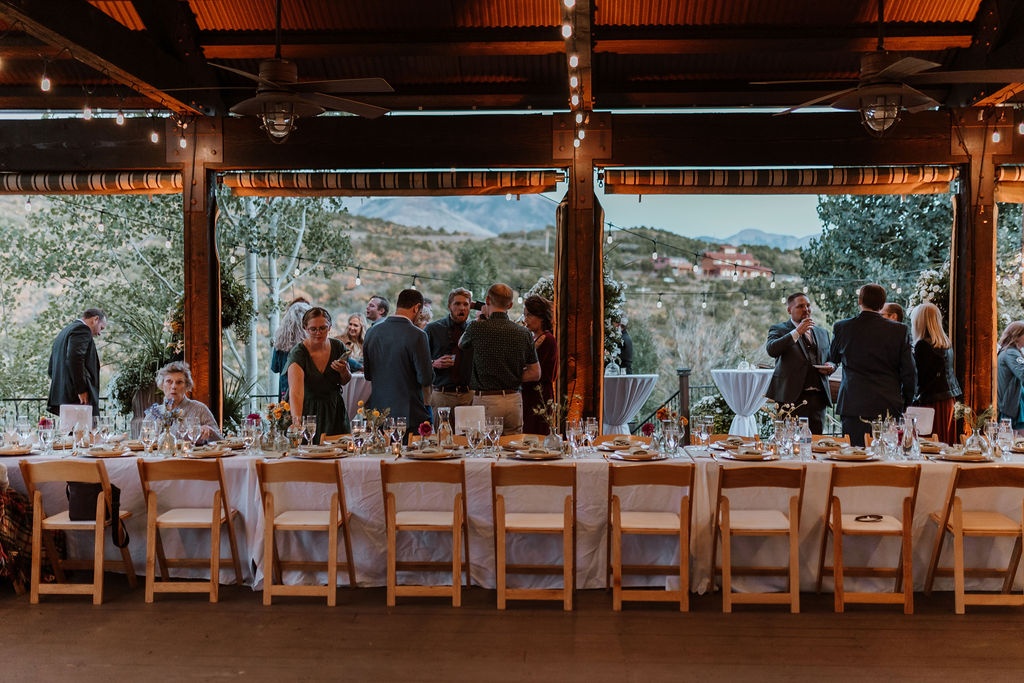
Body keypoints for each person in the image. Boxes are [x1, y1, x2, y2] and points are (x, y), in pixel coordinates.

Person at [829, 283, 916, 446]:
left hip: (853, 404)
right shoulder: (899, 331)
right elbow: (909, 372)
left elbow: (832, 357)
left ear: (859, 301)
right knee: (887, 455)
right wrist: (905, 401)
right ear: (882, 304)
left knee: (854, 455)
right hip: (888, 404)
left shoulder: (842, 327)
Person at [459, 283, 540, 435]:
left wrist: (482, 317)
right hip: (513, 400)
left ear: (487, 300)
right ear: (510, 305)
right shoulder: (524, 333)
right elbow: (535, 373)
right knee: (513, 449)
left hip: (487, 400)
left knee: (485, 449)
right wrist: (511, 376)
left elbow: (461, 344)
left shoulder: (477, 328)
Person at [362, 288, 433, 429]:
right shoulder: (418, 335)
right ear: (417, 307)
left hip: (379, 412)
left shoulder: (371, 332)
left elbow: (368, 375)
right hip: (409, 413)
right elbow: (425, 379)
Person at [765, 293, 835, 434]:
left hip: (818, 400)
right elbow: (772, 350)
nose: (806, 309)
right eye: (800, 306)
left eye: (808, 305)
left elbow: (831, 358)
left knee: (815, 443)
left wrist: (831, 365)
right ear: (789, 310)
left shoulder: (822, 332)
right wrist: (796, 332)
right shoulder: (778, 329)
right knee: (788, 442)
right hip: (790, 399)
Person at [286, 307, 352, 443]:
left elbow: (345, 380)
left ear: (330, 327)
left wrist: (343, 371)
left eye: (323, 328)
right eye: (313, 329)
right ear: (305, 328)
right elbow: (296, 391)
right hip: (306, 410)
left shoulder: (338, 346)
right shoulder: (298, 352)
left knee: (338, 451)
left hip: (334, 410)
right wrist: (297, 423)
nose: (318, 332)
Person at [910, 303, 961, 444]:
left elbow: (920, 378)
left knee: (930, 441)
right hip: (948, 400)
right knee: (944, 440)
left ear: (919, 321)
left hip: (932, 401)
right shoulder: (945, 344)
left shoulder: (922, 345)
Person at [47, 308, 106, 417]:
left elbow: (51, 368)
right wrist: (81, 389)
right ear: (95, 319)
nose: (99, 333)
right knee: (84, 433)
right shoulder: (82, 330)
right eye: (101, 328)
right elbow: (75, 358)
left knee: (68, 433)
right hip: (78, 398)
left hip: (63, 397)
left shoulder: (64, 332)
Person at [424, 288, 475, 414]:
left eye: (466, 304)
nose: (462, 308)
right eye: (457, 304)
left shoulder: (474, 330)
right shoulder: (432, 329)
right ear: (449, 306)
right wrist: (433, 363)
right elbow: (419, 360)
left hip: (468, 396)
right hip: (442, 394)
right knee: (443, 433)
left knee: (469, 434)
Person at [155, 360, 222, 442]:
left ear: (187, 386)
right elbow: (143, 443)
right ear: (162, 385)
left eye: (179, 382)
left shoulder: (200, 409)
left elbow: (221, 441)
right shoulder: (154, 413)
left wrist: (210, 431)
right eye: (169, 381)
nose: (173, 386)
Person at [521, 295, 558, 435]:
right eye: (525, 315)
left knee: (536, 434)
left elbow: (536, 371)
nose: (525, 319)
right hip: (529, 393)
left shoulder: (547, 339)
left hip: (539, 395)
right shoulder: (533, 337)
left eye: (529, 315)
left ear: (541, 317)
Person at [271, 298, 310, 401]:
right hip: (307, 392)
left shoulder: (280, 342)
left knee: (287, 416)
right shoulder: (312, 343)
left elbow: (274, 368)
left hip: (286, 391)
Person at [996, 320, 1024, 431]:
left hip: (1007, 406)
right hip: (1008, 409)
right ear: (1017, 335)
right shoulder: (1011, 353)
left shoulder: (1006, 351)